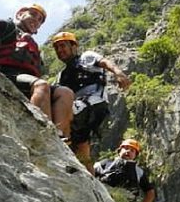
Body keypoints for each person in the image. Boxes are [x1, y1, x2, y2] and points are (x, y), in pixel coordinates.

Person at [0, 4, 73, 140]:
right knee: (42, 85)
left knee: (65, 93)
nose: (36, 21)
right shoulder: (4, 26)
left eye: (40, 20)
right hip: (1, 74)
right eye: (33, 14)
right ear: (20, 14)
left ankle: (59, 137)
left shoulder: (34, 46)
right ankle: (42, 134)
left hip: (25, 81)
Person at [51, 31, 132, 173]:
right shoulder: (62, 75)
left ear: (73, 46)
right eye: (56, 48)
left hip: (93, 103)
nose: (59, 50)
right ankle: (90, 176)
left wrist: (118, 73)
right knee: (81, 146)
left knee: (64, 118)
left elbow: (105, 62)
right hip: (83, 110)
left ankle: (58, 139)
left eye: (63, 46)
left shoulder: (86, 57)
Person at [94, 138, 156, 202]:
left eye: (132, 150)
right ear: (119, 151)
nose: (128, 151)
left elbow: (150, 192)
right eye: (126, 148)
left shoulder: (139, 172)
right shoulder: (105, 163)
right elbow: (89, 173)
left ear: (135, 155)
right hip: (102, 201)